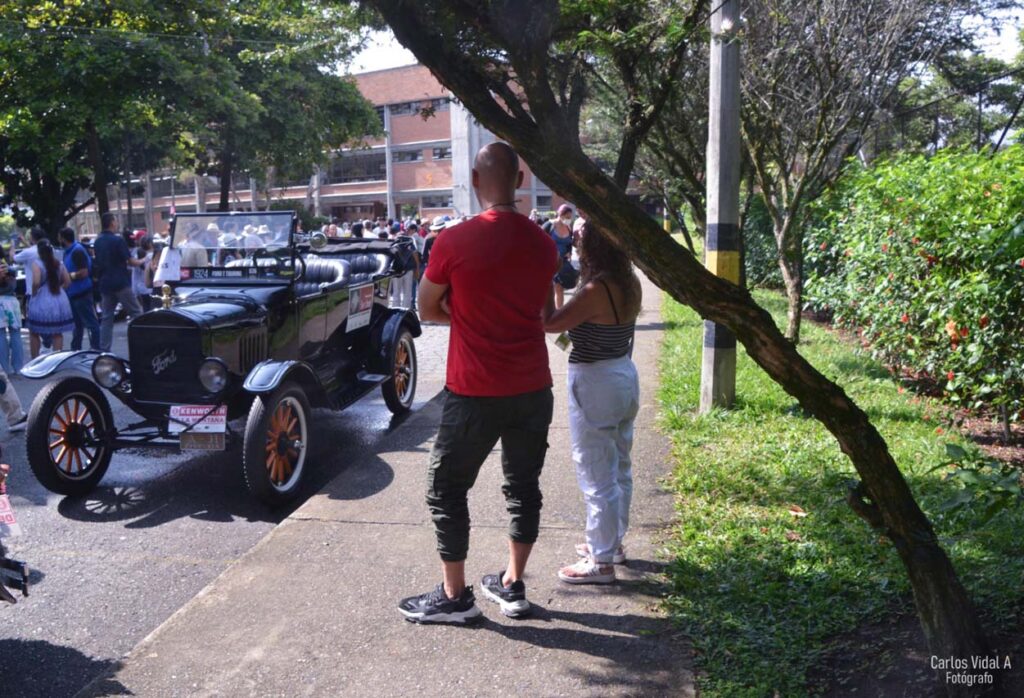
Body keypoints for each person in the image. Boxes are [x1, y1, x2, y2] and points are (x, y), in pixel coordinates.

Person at [398, 142, 559, 625]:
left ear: (473, 180)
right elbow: (537, 306)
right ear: (520, 178)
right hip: (533, 386)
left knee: (446, 487)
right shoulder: (545, 243)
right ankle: (512, 585)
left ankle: (454, 595)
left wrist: (464, 313)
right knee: (523, 485)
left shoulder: (452, 241)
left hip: (474, 390)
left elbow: (426, 308)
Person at [542, 222, 641, 584]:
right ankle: (611, 544)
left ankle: (600, 562)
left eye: (580, 242)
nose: (576, 247)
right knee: (619, 467)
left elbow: (550, 325)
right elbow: (571, 333)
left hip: (596, 382)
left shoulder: (597, 288)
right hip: (622, 374)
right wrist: (558, 291)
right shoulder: (627, 282)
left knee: (596, 471)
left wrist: (543, 280)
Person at [94, 212, 144, 352]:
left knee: (107, 318)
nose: (117, 224)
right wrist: (142, 260)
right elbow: (130, 261)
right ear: (111, 223)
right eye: (115, 221)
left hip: (105, 283)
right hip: (120, 282)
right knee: (136, 312)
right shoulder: (118, 240)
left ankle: (104, 349)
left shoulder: (98, 241)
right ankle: (141, 344)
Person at [26, 239, 74, 357]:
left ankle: (35, 360)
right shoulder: (59, 263)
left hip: (41, 299)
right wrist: (60, 288)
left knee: (34, 332)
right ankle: (56, 359)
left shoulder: (37, 264)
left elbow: (36, 282)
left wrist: (34, 292)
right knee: (57, 333)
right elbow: (67, 281)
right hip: (59, 298)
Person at [59, 227, 100, 351]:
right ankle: (75, 349)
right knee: (77, 324)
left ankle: (95, 348)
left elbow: (84, 272)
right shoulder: (69, 251)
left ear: (63, 238)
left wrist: (69, 276)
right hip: (73, 293)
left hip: (81, 292)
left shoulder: (77, 251)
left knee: (90, 322)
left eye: (59, 237)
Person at [550, 204, 577, 309]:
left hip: (562, 263)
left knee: (559, 288)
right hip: (550, 263)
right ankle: (550, 314)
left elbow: (569, 243)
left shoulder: (568, 228)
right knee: (552, 289)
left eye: (570, 217)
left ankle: (558, 312)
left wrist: (569, 252)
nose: (569, 219)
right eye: (567, 217)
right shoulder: (550, 225)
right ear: (561, 215)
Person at [0, 255, 23, 375]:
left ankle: (4, 369)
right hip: (12, 302)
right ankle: (18, 368)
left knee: (0, 335)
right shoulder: (8, 267)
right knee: (16, 334)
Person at [132, 234, 155, 311]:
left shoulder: (137, 254)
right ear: (150, 244)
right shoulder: (152, 255)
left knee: (146, 308)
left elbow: (134, 275)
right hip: (152, 287)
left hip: (141, 288)